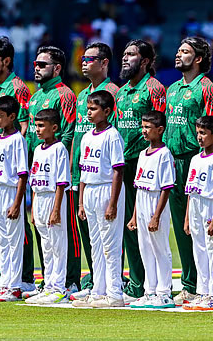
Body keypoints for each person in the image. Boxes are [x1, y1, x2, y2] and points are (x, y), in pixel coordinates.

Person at [165, 37, 213, 306]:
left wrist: (203, 158)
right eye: (178, 50)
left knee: (200, 226)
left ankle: (207, 283)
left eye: (185, 51)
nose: (178, 54)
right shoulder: (172, 89)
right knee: (181, 226)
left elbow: (211, 126)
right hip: (172, 159)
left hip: (194, 159)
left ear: (198, 59)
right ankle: (189, 283)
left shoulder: (207, 88)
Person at [0, 37, 36, 298]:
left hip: (10, 167)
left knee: (17, 227)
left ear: (7, 60)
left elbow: (24, 125)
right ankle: (1, 275)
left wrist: (14, 158)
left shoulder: (18, 88)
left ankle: (24, 278)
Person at [114, 39, 166, 303]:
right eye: (124, 53)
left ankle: (155, 285)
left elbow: (159, 125)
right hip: (123, 163)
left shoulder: (154, 88)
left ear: (145, 61)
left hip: (145, 162)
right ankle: (137, 283)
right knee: (128, 226)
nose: (125, 58)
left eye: (131, 54)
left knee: (151, 226)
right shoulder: (121, 92)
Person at [69, 42, 120, 301]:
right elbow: (77, 136)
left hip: (107, 178)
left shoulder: (115, 93)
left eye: (90, 59)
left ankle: (116, 287)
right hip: (85, 177)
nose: (84, 62)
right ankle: (97, 285)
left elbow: (115, 142)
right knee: (92, 239)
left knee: (111, 238)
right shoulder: (81, 96)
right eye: (82, 59)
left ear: (104, 63)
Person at [26, 45, 77, 297]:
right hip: (38, 168)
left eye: (42, 64)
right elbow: (30, 135)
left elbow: (68, 132)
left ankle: (69, 280)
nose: (36, 68)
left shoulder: (64, 94)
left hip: (56, 171)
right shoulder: (35, 97)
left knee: (62, 232)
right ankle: (48, 281)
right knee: (44, 234)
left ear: (57, 68)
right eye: (35, 64)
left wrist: (60, 164)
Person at [72, 91, 126, 308]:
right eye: (88, 108)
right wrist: (81, 202)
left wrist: (112, 203)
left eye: (94, 109)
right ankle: (98, 291)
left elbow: (118, 170)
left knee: (110, 244)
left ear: (107, 111)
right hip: (90, 191)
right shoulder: (86, 137)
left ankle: (114, 293)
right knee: (95, 244)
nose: (89, 112)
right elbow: (83, 171)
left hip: (106, 190)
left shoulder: (112, 136)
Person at [126, 110, 176, 309]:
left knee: (160, 248)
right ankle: (150, 291)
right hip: (142, 201)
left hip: (156, 203)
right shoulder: (142, 154)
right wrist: (134, 215)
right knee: (145, 247)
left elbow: (166, 187)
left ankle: (164, 293)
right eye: (143, 127)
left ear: (160, 129)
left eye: (148, 127)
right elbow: (139, 186)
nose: (144, 131)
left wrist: (156, 216)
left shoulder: (164, 154)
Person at [182, 116, 213, 311]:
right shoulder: (195, 159)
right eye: (198, 133)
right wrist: (187, 217)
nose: (199, 137)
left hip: (210, 206)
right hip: (195, 206)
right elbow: (190, 190)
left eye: (203, 133)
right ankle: (203, 292)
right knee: (199, 250)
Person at [0, 95, 29, 302]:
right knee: (1, 241)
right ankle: (4, 283)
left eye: (0, 115)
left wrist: (17, 203)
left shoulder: (18, 140)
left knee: (13, 241)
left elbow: (22, 174)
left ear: (12, 116)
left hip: (10, 192)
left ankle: (14, 286)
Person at [25, 109, 70, 304]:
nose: (37, 129)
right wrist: (34, 208)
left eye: (42, 126)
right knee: (46, 246)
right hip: (40, 199)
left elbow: (61, 182)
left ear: (54, 127)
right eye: (36, 125)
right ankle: (49, 285)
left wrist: (56, 209)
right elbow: (34, 180)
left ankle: (59, 288)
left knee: (57, 245)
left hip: (53, 198)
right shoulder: (37, 150)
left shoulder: (59, 149)